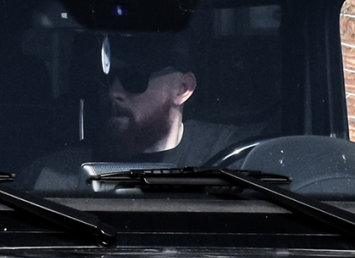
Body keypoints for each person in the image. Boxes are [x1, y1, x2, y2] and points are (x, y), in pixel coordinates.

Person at [28, 38, 241, 190]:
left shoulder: (227, 160)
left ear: (183, 88)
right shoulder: (58, 174)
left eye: (134, 78)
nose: (113, 93)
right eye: (108, 79)